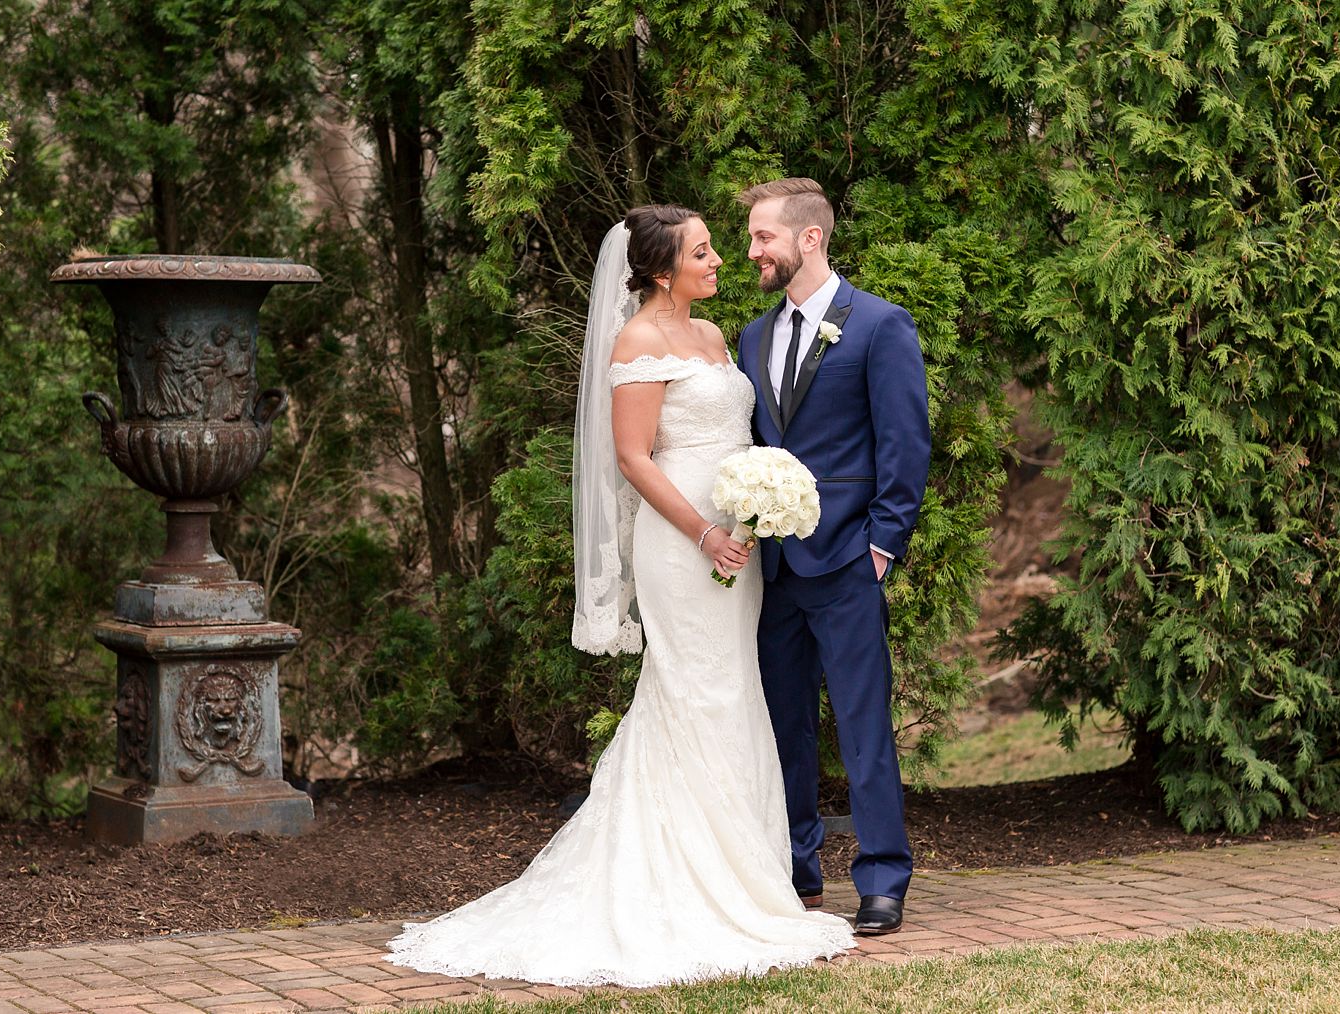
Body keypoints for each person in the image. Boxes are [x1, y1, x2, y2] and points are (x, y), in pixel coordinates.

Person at [384, 205, 855, 987]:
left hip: (739, 546)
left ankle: (748, 877)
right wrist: (705, 532)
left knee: (733, 694)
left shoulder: (710, 336)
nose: (719, 261)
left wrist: (761, 504)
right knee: (692, 693)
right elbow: (634, 458)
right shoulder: (637, 341)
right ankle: (685, 882)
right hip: (685, 547)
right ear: (662, 270)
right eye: (703, 252)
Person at [736, 178, 932, 936]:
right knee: (784, 727)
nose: (751, 251)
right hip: (774, 571)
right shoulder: (753, 336)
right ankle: (797, 871)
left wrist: (880, 547)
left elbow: (905, 444)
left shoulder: (880, 326)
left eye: (762, 237)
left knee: (861, 725)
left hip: (849, 560)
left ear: (808, 239)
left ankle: (884, 878)